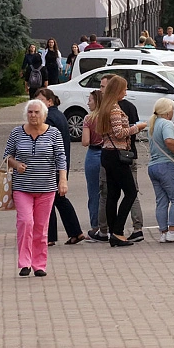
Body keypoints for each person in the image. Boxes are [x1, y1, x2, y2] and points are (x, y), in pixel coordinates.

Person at [3, 99, 67, 277]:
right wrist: (16, 164)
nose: (33, 115)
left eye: (36, 112)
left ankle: (39, 264)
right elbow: (7, 155)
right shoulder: (17, 133)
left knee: (40, 226)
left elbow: (61, 158)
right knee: (25, 222)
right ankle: (24, 262)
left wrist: (63, 180)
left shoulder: (54, 133)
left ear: (44, 115)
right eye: (30, 112)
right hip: (22, 187)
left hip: (46, 188)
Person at [87, 74, 146, 242]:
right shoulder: (114, 108)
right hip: (117, 154)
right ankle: (118, 231)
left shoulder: (105, 107)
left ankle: (113, 232)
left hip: (107, 153)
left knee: (112, 194)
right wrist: (137, 127)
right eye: (124, 89)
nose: (126, 93)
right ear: (118, 90)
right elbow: (120, 133)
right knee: (130, 192)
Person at [36, 88, 87, 246]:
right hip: (61, 164)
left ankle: (50, 237)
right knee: (59, 199)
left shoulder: (48, 118)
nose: (37, 103)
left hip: (51, 166)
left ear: (49, 101)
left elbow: (45, 143)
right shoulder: (59, 115)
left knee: (48, 199)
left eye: (41, 100)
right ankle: (75, 232)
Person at [147, 98, 174, 243]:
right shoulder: (167, 124)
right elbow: (169, 140)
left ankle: (164, 232)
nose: (173, 111)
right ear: (167, 111)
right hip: (167, 165)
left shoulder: (153, 124)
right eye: (172, 109)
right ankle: (172, 231)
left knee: (161, 201)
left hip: (153, 166)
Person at [81, 90, 103, 238]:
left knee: (94, 193)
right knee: (108, 192)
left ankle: (95, 226)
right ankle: (108, 226)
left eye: (90, 100)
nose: (88, 103)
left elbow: (85, 142)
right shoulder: (108, 117)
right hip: (108, 154)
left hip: (94, 154)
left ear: (97, 102)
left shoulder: (89, 119)